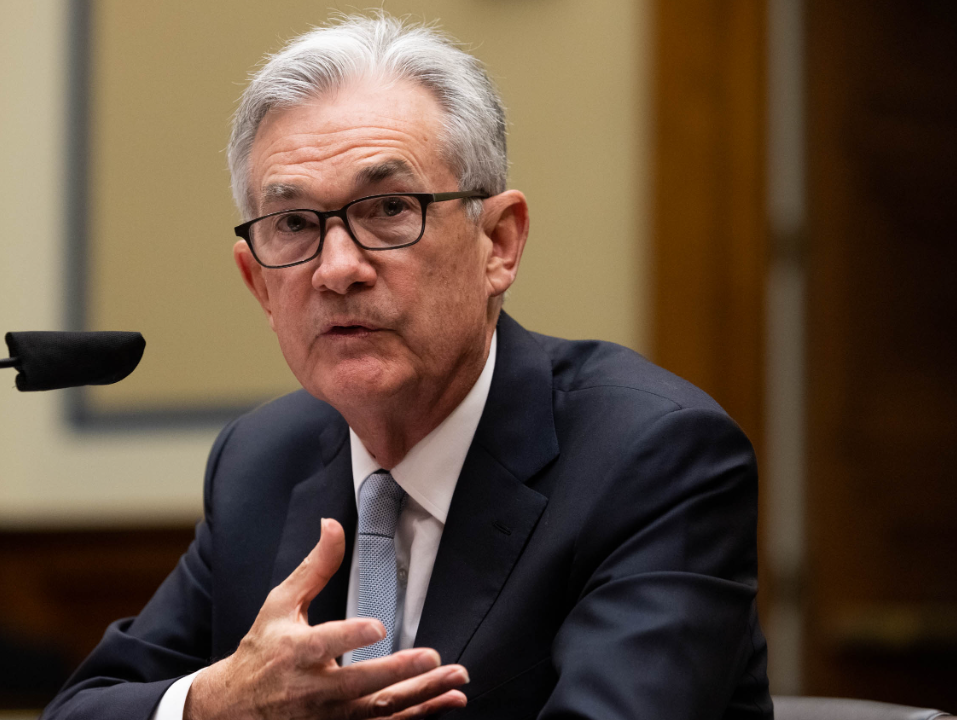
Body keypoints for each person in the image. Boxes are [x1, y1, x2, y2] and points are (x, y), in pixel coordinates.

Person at [44, 14, 771, 720]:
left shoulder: (652, 459)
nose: (336, 269)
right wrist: (216, 706)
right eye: (293, 224)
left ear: (499, 244)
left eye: (389, 208)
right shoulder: (262, 461)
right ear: (259, 284)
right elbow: (84, 707)